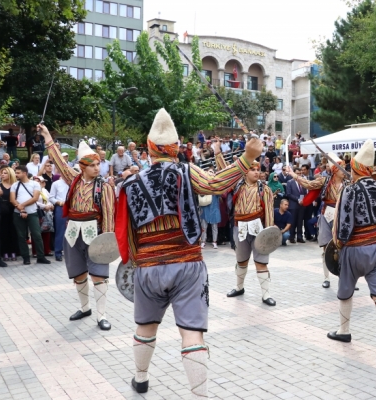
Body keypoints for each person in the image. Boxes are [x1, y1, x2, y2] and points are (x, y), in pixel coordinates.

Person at [115, 109, 261, 396]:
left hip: (148, 266)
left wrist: (135, 262)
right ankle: (199, 394)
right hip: (187, 263)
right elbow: (215, 185)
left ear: (148, 148)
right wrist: (247, 158)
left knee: (145, 327)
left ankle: (141, 378)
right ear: (176, 148)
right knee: (192, 333)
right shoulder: (186, 170)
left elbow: (125, 230)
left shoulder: (130, 183)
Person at [328, 139, 376, 359]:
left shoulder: (349, 190)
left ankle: (344, 331)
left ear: (356, 168)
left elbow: (343, 224)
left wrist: (339, 245)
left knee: (346, 290)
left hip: (355, 248)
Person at [41, 125, 114, 330]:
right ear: (82, 166)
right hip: (73, 232)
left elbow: (108, 213)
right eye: (92, 165)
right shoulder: (73, 180)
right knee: (78, 274)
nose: (97, 168)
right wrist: (47, 136)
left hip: (95, 233)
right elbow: (58, 161)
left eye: (98, 164)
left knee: (98, 274)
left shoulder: (104, 187)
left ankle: (102, 315)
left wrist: (108, 239)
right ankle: (85, 308)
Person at [289, 153, 347, 288]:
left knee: (344, 247)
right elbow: (309, 185)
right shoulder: (324, 180)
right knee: (326, 247)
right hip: (327, 215)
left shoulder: (348, 183)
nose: (344, 171)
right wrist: (294, 175)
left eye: (344, 168)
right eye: (341, 168)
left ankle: (345, 277)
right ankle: (326, 277)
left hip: (342, 216)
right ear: (334, 169)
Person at [226, 161, 276, 306]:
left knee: (261, 262)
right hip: (239, 226)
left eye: (257, 169)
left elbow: (269, 211)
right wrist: (217, 153)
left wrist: (269, 232)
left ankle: (266, 295)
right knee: (241, 260)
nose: (256, 172)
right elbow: (225, 172)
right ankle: (239, 287)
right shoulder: (237, 185)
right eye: (252, 169)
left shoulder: (265, 189)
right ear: (245, 172)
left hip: (258, 227)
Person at [10, 165, 50, 265]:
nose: (16, 174)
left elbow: (35, 198)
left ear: (25, 173)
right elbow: (12, 199)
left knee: (37, 234)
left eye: (18, 173)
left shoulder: (34, 184)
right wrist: (20, 209)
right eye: (16, 172)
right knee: (21, 236)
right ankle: (26, 257)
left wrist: (21, 206)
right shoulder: (15, 185)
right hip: (18, 214)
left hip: (32, 213)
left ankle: (41, 257)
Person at [49, 167, 70, 262]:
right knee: (60, 230)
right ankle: (58, 252)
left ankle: (71, 252)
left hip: (72, 207)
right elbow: (51, 197)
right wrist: (58, 202)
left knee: (73, 230)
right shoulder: (56, 184)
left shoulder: (73, 183)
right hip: (61, 207)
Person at [0, 166, 19, 262]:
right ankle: (5, 252)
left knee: (14, 231)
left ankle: (14, 251)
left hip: (14, 211)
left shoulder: (15, 185)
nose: (2, 174)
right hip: (2, 212)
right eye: (1, 173)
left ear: (10, 174)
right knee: (3, 232)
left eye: (5, 173)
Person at [285, 167, 308, 243]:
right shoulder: (290, 182)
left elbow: (305, 193)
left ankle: (299, 236)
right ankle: (291, 237)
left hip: (301, 205)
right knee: (293, 221)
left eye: (300, 173)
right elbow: (288, 194)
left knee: (300, 221)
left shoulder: (302, 182)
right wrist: (297, 199)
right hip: (293, 205)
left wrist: (303, 200)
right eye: (297, 173)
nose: (299, 175)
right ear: (294, 173)